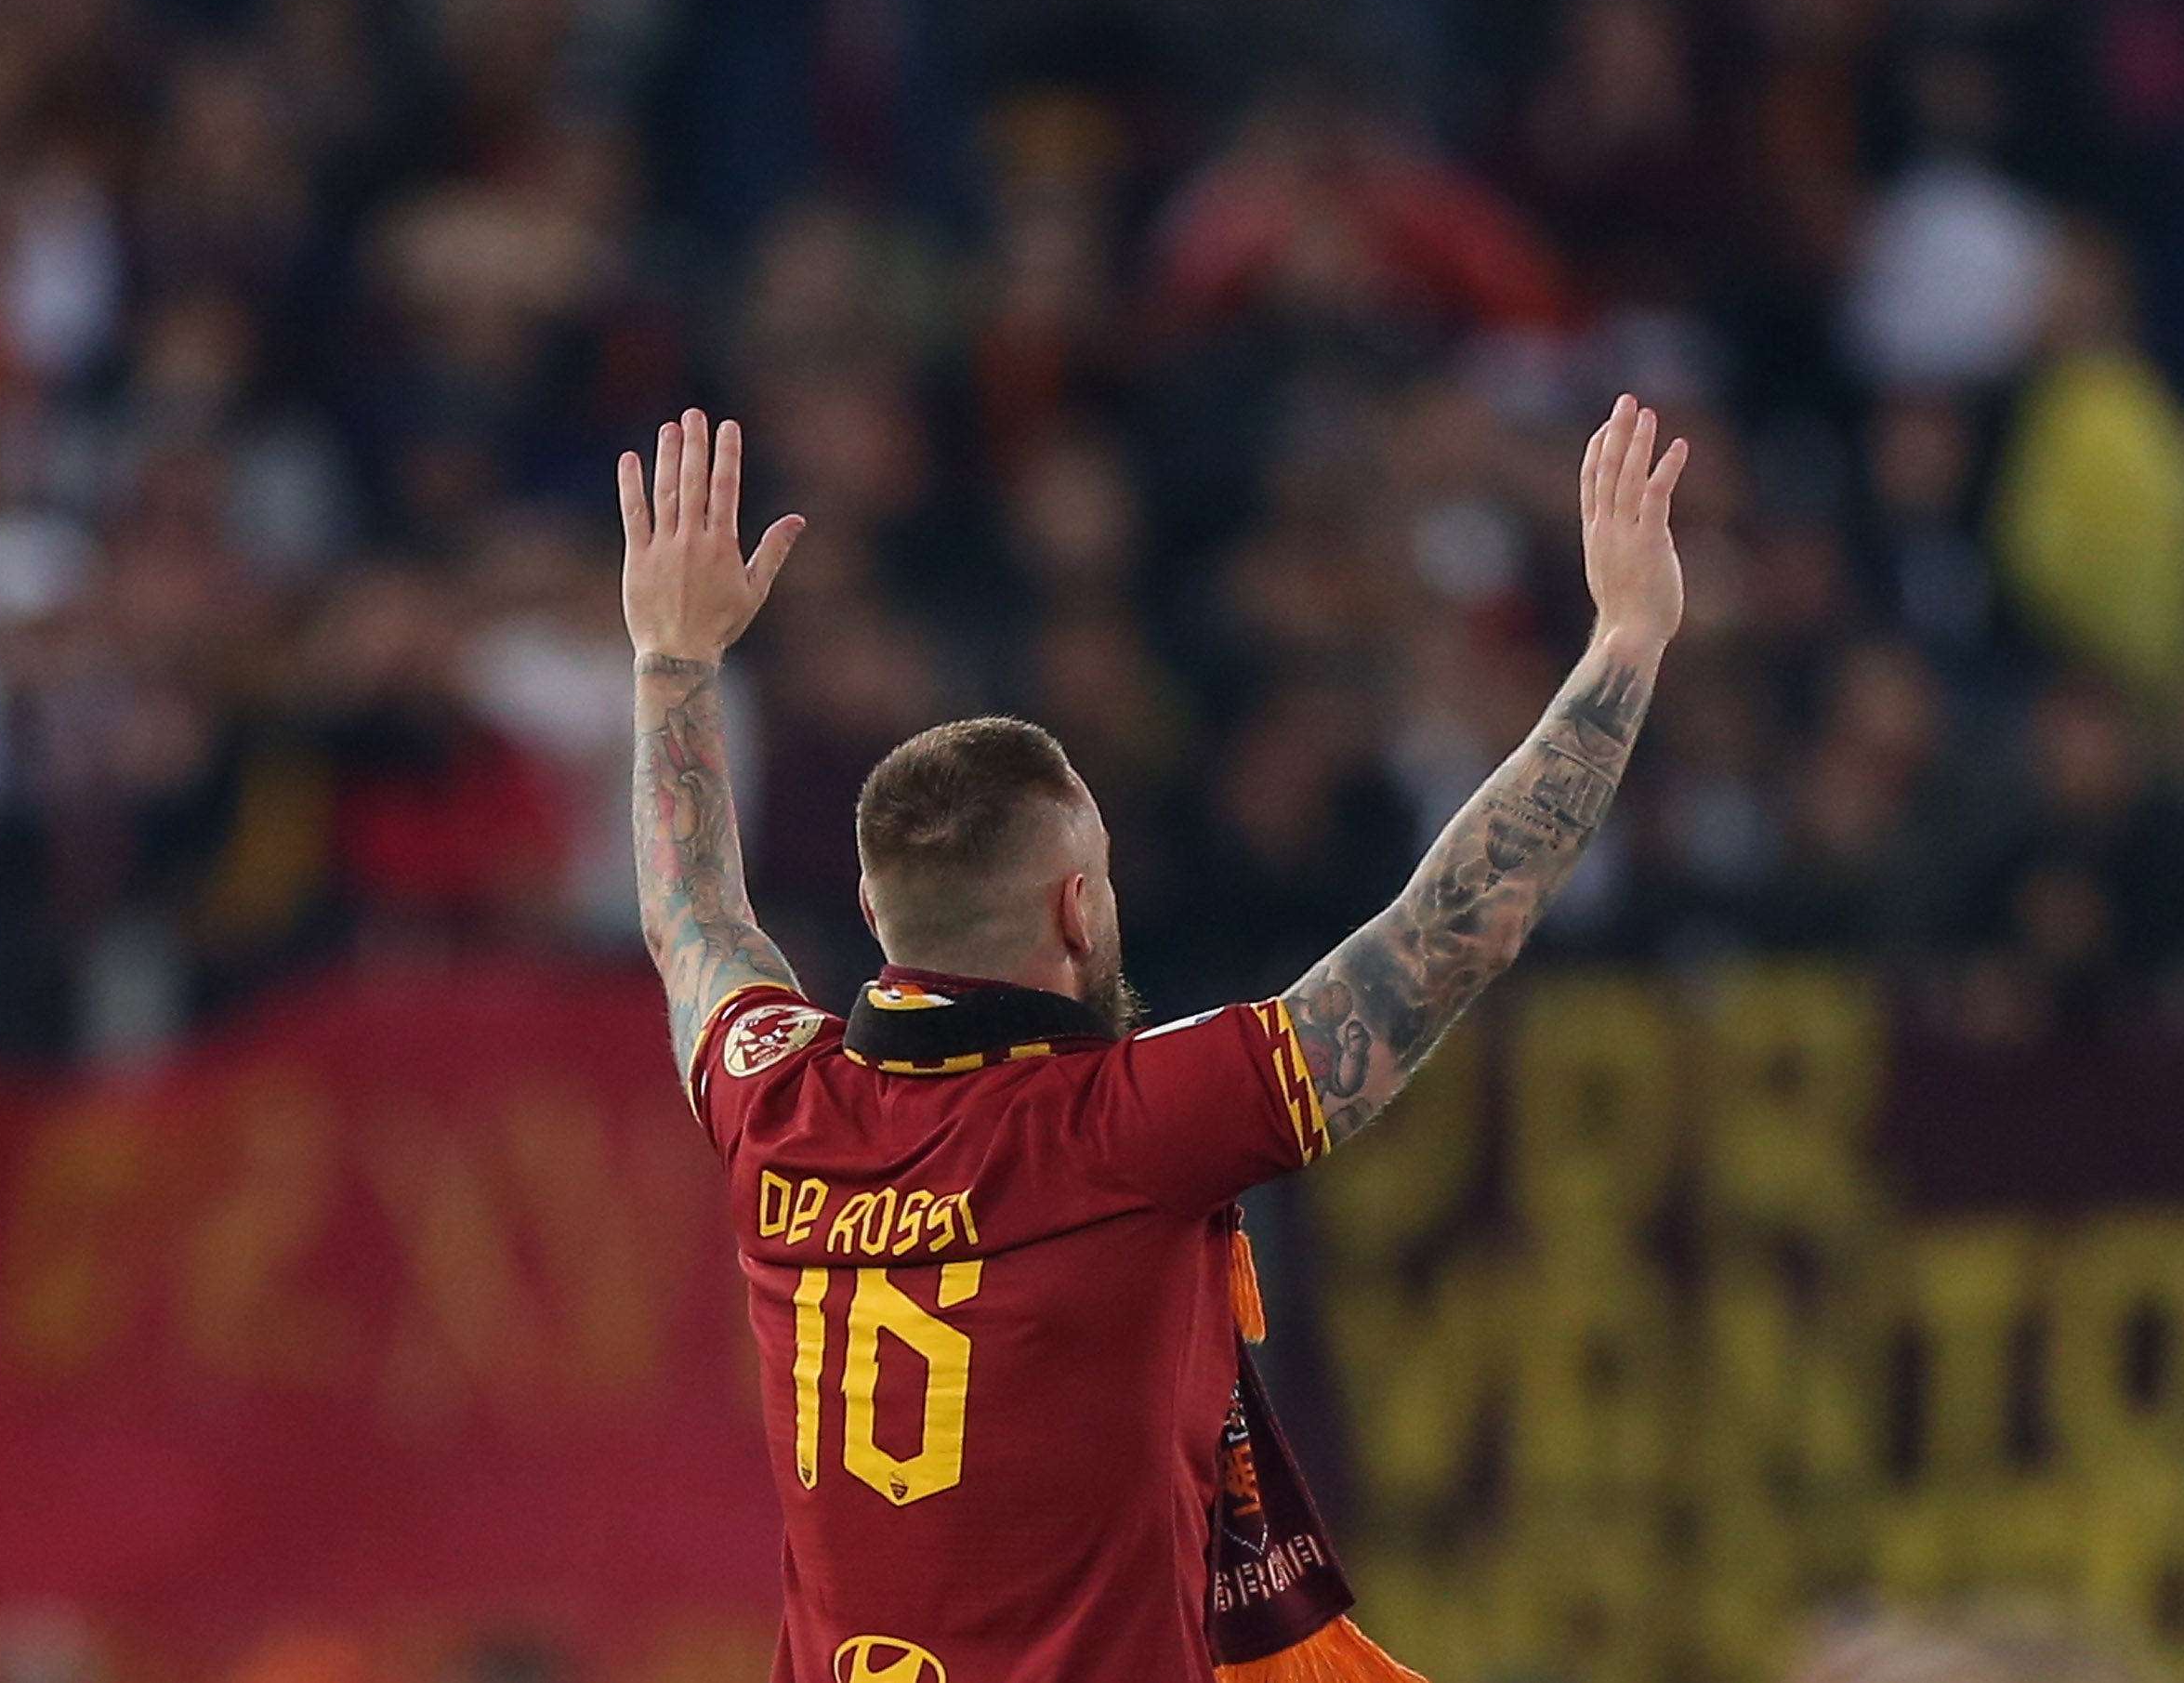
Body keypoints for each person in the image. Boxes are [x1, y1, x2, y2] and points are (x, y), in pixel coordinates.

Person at [616, 400, 1687, 1683]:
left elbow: (692, 921)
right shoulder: (1128, 1129)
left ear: (870, 913)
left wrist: (670, 654)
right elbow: (1446, 936)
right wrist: (1625, 639)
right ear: (1078, 905)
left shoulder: (776, 1104)